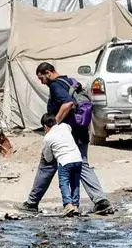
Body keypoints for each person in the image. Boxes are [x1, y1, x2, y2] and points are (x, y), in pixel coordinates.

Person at [21, 63, 115, 215]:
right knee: (82, 164)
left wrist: (54, 126)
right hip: (81, 132)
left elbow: (67, 103)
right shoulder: (70, 82)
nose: (42, 82)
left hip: (67, 135)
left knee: (47, 164)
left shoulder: (55, 85)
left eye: (41, 78)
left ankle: (32, 203)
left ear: (48, 73)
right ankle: (101, 201)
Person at [39, 113, 84, 215]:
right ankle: (75, 205)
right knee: (75, 183)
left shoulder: (47, 137)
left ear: (45, 126)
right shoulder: (64, 126)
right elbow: (69, 128)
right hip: (77, 158)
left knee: (64, 183)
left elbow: (48, 158)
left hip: (64, 161)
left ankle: (68, 204)